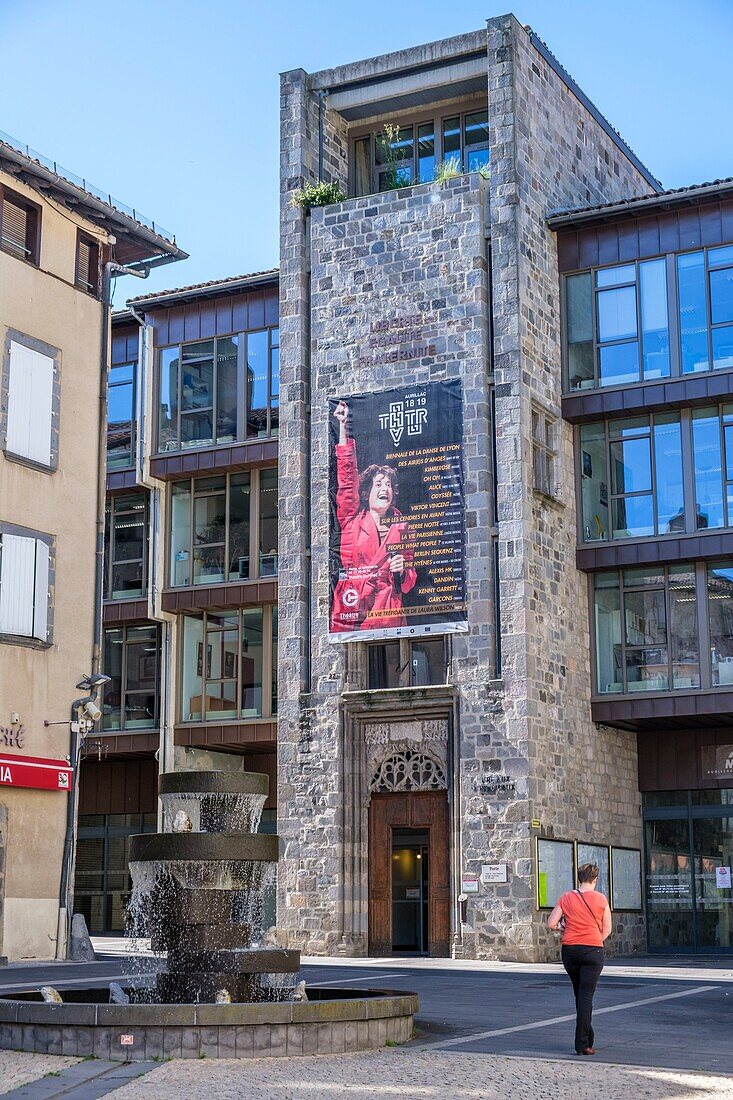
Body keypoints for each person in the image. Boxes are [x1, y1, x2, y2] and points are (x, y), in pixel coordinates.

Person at [330, 400, 416, 634]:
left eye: (388, 485)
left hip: (388, 613)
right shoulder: (351, 520)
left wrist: (402, 570)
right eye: (379, 483)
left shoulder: (404, 527)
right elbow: (347, 480)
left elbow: (408, 584)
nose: (384, 489)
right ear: (368, 491)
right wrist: (343, 427)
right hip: (353, 609)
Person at [547, 863, 612, 1056]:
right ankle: (582, 1043)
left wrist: (562, 929)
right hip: (592, 951)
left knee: (580, 995)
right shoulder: (601, 899)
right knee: (586, 997)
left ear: (579, 878)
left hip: (570, 950)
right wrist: (593, 941)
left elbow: (551, 923)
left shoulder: (566, 897)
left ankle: (586, 1038)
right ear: (595, 879)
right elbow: (607, 929)